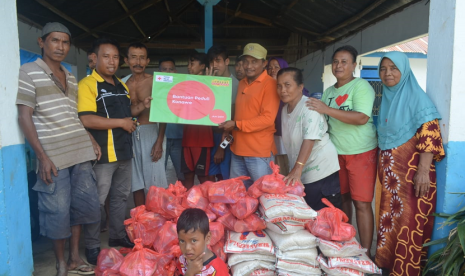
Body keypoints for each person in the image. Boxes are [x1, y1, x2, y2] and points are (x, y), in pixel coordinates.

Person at [16, 22, 99, 275]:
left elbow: (73, 115)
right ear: (42, 42)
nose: (60, 46)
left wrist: (90, 139)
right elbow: (24, 116)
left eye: (65, 42)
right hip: (53, 156)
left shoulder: (71, 77)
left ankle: (74, 258)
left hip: (80, 152)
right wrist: (41, 156)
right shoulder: (28, 71)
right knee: (56, 210)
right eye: (54, 40)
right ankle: (60, 262)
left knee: (80, 208)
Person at [78, 37, 151, 262]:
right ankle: (91, 245)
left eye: (115, 57)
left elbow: (128, 111)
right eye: (106, 56)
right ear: (95, 58)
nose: (112, 61)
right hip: (103, 154)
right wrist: (121, 123)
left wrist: (143, 106)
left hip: (124, 152)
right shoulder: (88, 85)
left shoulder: (120, 84)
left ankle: (117, 236)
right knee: (97, 200)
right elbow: (86, 119)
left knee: (119, 197)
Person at [375, 51, 444, 275]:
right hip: (391, 180)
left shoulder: (418, 99)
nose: (388, 74)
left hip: (413, 176)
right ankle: (389, 264)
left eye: (394, 68)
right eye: (383, 69)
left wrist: (423, 172)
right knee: (390, 220)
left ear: (404, 70)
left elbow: (430, 135)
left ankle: (406, 270)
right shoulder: (386, 100)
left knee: (409, 223)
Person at [307, 45, 377, 256]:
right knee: (343, 199)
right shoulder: (329, 91)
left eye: (344, 61)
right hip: (337, 154)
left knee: (362, 203)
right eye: (336, 62)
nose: (339, 65)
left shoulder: (361, 87)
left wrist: (326, 109)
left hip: (361, 151)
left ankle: (365, 253)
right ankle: (348, 244)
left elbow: (361, 118)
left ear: (354, 65)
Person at [277, 67, 341, 211]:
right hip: (302, 172)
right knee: (309, 220)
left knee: (325, 219)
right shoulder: (284, 109)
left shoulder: (309, 107)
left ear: (300, 87)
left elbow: (309, 139)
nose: (282, 90)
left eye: (287, 85)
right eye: (279, 86)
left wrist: (297, 169)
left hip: (321, 172)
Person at [219, 43, 280, 188]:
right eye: (246, 61)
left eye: (254, 61)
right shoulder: (242, 83)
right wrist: (229, 131)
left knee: (261, 195)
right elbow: (240, 113)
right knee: (239, 197)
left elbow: (267, 119)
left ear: (264, 63)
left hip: (258, 152)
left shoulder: (270, 84)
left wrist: (236, 125)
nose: (248, 66)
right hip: (237, 150)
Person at [124, 42, 168, 207]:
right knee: (136, 182)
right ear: (126, 60)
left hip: (151, 132)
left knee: (155, 183)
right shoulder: (123, 84)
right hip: (130, 133)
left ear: (147, 61)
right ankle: (142, 221)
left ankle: (158, 221)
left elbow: (164, 114)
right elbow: (124, 112)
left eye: (142, 58)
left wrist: (159, 141)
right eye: (134, 57)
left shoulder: (155, 82)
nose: (138, 62)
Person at [267, 57, 310, 175]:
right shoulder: (267, 88)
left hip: (295, 137)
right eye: (269, 68)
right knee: (279, 167)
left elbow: (309, 138)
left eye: (276, 67)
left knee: (291, 162)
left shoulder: (303, 98)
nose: (272, 70)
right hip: (274, 133)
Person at [182, 53, 215, 189]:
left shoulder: (213, 85)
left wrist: (207, 84)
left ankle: (208, 209)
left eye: (192, 63)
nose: (189, 67)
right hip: (187, 138)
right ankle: (187, 207)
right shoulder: (184, 84)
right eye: (188, 64)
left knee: (203, 177)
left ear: (202, 66)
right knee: (188, 175)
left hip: (202, 139)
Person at [206, 45, 238, 180]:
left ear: (227, 61)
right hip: (209, 137)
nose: (214, 65)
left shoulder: (235, 84)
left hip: (225, 139)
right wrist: (207, 83)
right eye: (212, 61)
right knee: (211, 178)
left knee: (226, 180)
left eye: (218, 61)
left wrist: (221, 147)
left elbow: (232, 119)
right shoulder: (209, 82)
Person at [176, 208, 229, 276]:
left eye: (193, 240)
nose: (187, 248)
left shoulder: (217, 268)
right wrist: (190, 272)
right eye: (182, 241)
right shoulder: (183, 259)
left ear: (207, 238)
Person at [160, 57, 185, 184]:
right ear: (159, 72)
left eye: (171, 69)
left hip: (179, 138)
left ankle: (183, 201)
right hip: (160, 139)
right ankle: (161, 202)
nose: (168, 72)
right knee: (159, 174)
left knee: (182, 174)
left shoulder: (183, 89)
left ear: (176, 71)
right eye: (164, 70)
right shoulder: (155, 90)